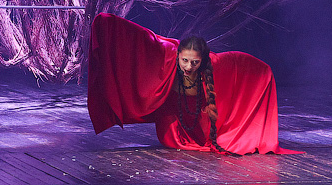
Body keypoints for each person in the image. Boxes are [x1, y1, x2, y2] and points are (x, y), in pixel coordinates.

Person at [87, 13, 300, 155]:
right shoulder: (166, 55)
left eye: (194, 63)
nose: (188, 67)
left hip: (236, 73)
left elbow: (250, 72)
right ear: (177, 55)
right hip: (179, 113)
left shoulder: (214, 67)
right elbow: (140, 40)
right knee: (170, 138)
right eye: (185, 61)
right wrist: (105, 23)